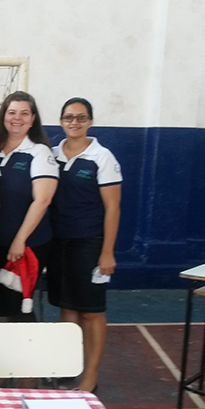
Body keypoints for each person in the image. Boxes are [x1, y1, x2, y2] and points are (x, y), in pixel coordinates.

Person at [0, 92, 58, 387]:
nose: (17, 118)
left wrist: (20, 240)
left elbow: (42, 200)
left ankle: (30, 373)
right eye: (12, 112)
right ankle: (3, 369)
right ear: (4, 116)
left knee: (19, 307)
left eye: (24, 113)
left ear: (33, 119)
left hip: (28, 245)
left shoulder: (39, 153)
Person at [48, 97, 122, 393]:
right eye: (69, 117)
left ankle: (90, 376)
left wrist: (107, 252)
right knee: (67, 309)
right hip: (58, 243)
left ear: (90, 121)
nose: (74, 123)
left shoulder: (102, 157)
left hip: (90, 244)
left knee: (91, 312)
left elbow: (113, 208)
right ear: (61, 121)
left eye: (81, 118)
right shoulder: (52, 154)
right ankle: (69, 367)